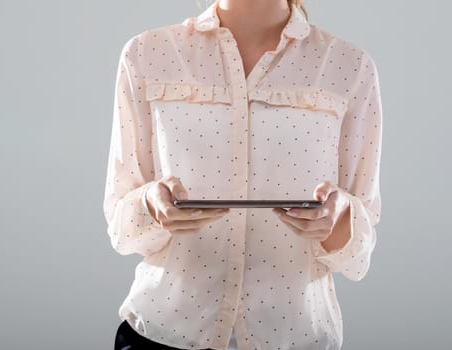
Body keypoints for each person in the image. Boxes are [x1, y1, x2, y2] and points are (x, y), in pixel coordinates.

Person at [103, 0, 383, 349]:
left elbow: (360, 254)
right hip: (162, 333)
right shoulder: (147, 55)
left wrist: (339, 220)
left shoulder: (349, 67)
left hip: (296, 337)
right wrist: (151, 206)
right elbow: (120, 227)